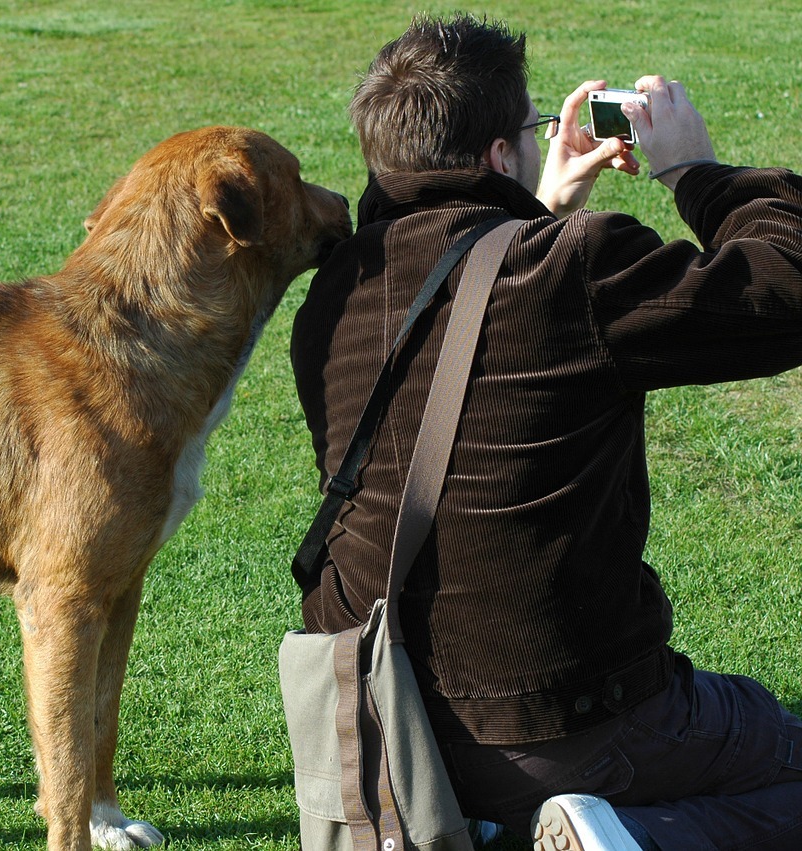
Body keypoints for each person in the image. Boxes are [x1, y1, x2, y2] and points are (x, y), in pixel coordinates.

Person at [290, 13, 802, 851]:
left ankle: (507, 830)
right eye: (528, 128)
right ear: (498, 155)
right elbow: (786, 286)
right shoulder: (572, 269)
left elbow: (466, 322)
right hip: (563, 721)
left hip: (392, 723)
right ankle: (628, 834)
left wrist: (536, 210)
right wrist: (695, 170)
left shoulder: (334, 294)